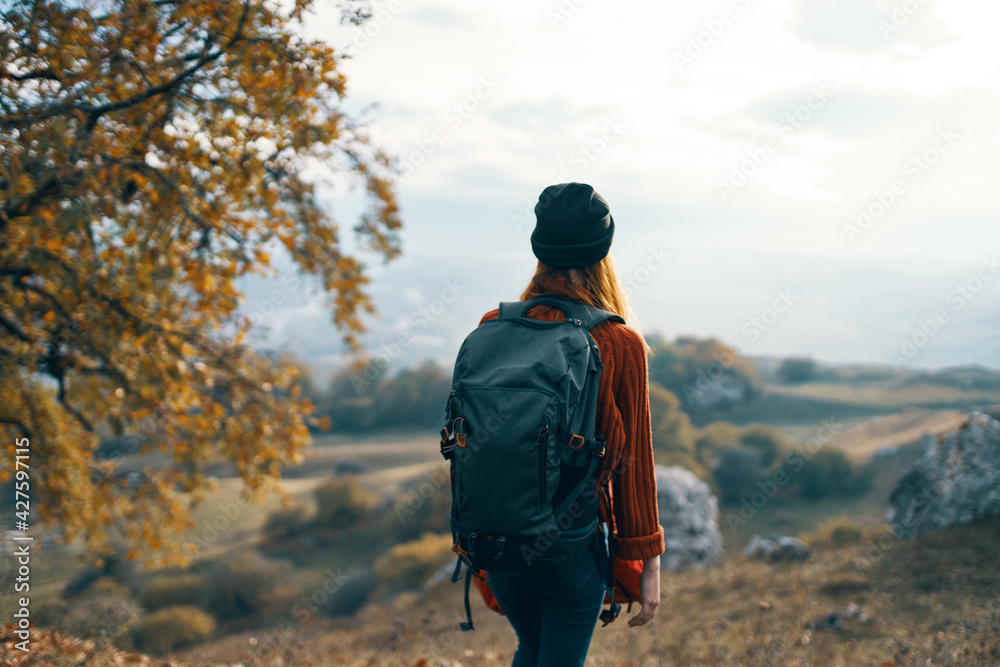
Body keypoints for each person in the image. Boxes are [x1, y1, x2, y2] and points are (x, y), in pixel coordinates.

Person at [479, 182, 665, 667]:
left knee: (533, 647)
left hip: (497, 543)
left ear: (540, 249)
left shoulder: (492, 326)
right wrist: (647, 560)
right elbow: (634, 464)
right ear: (603, 251)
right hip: (569, 547)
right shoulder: (618, 340)